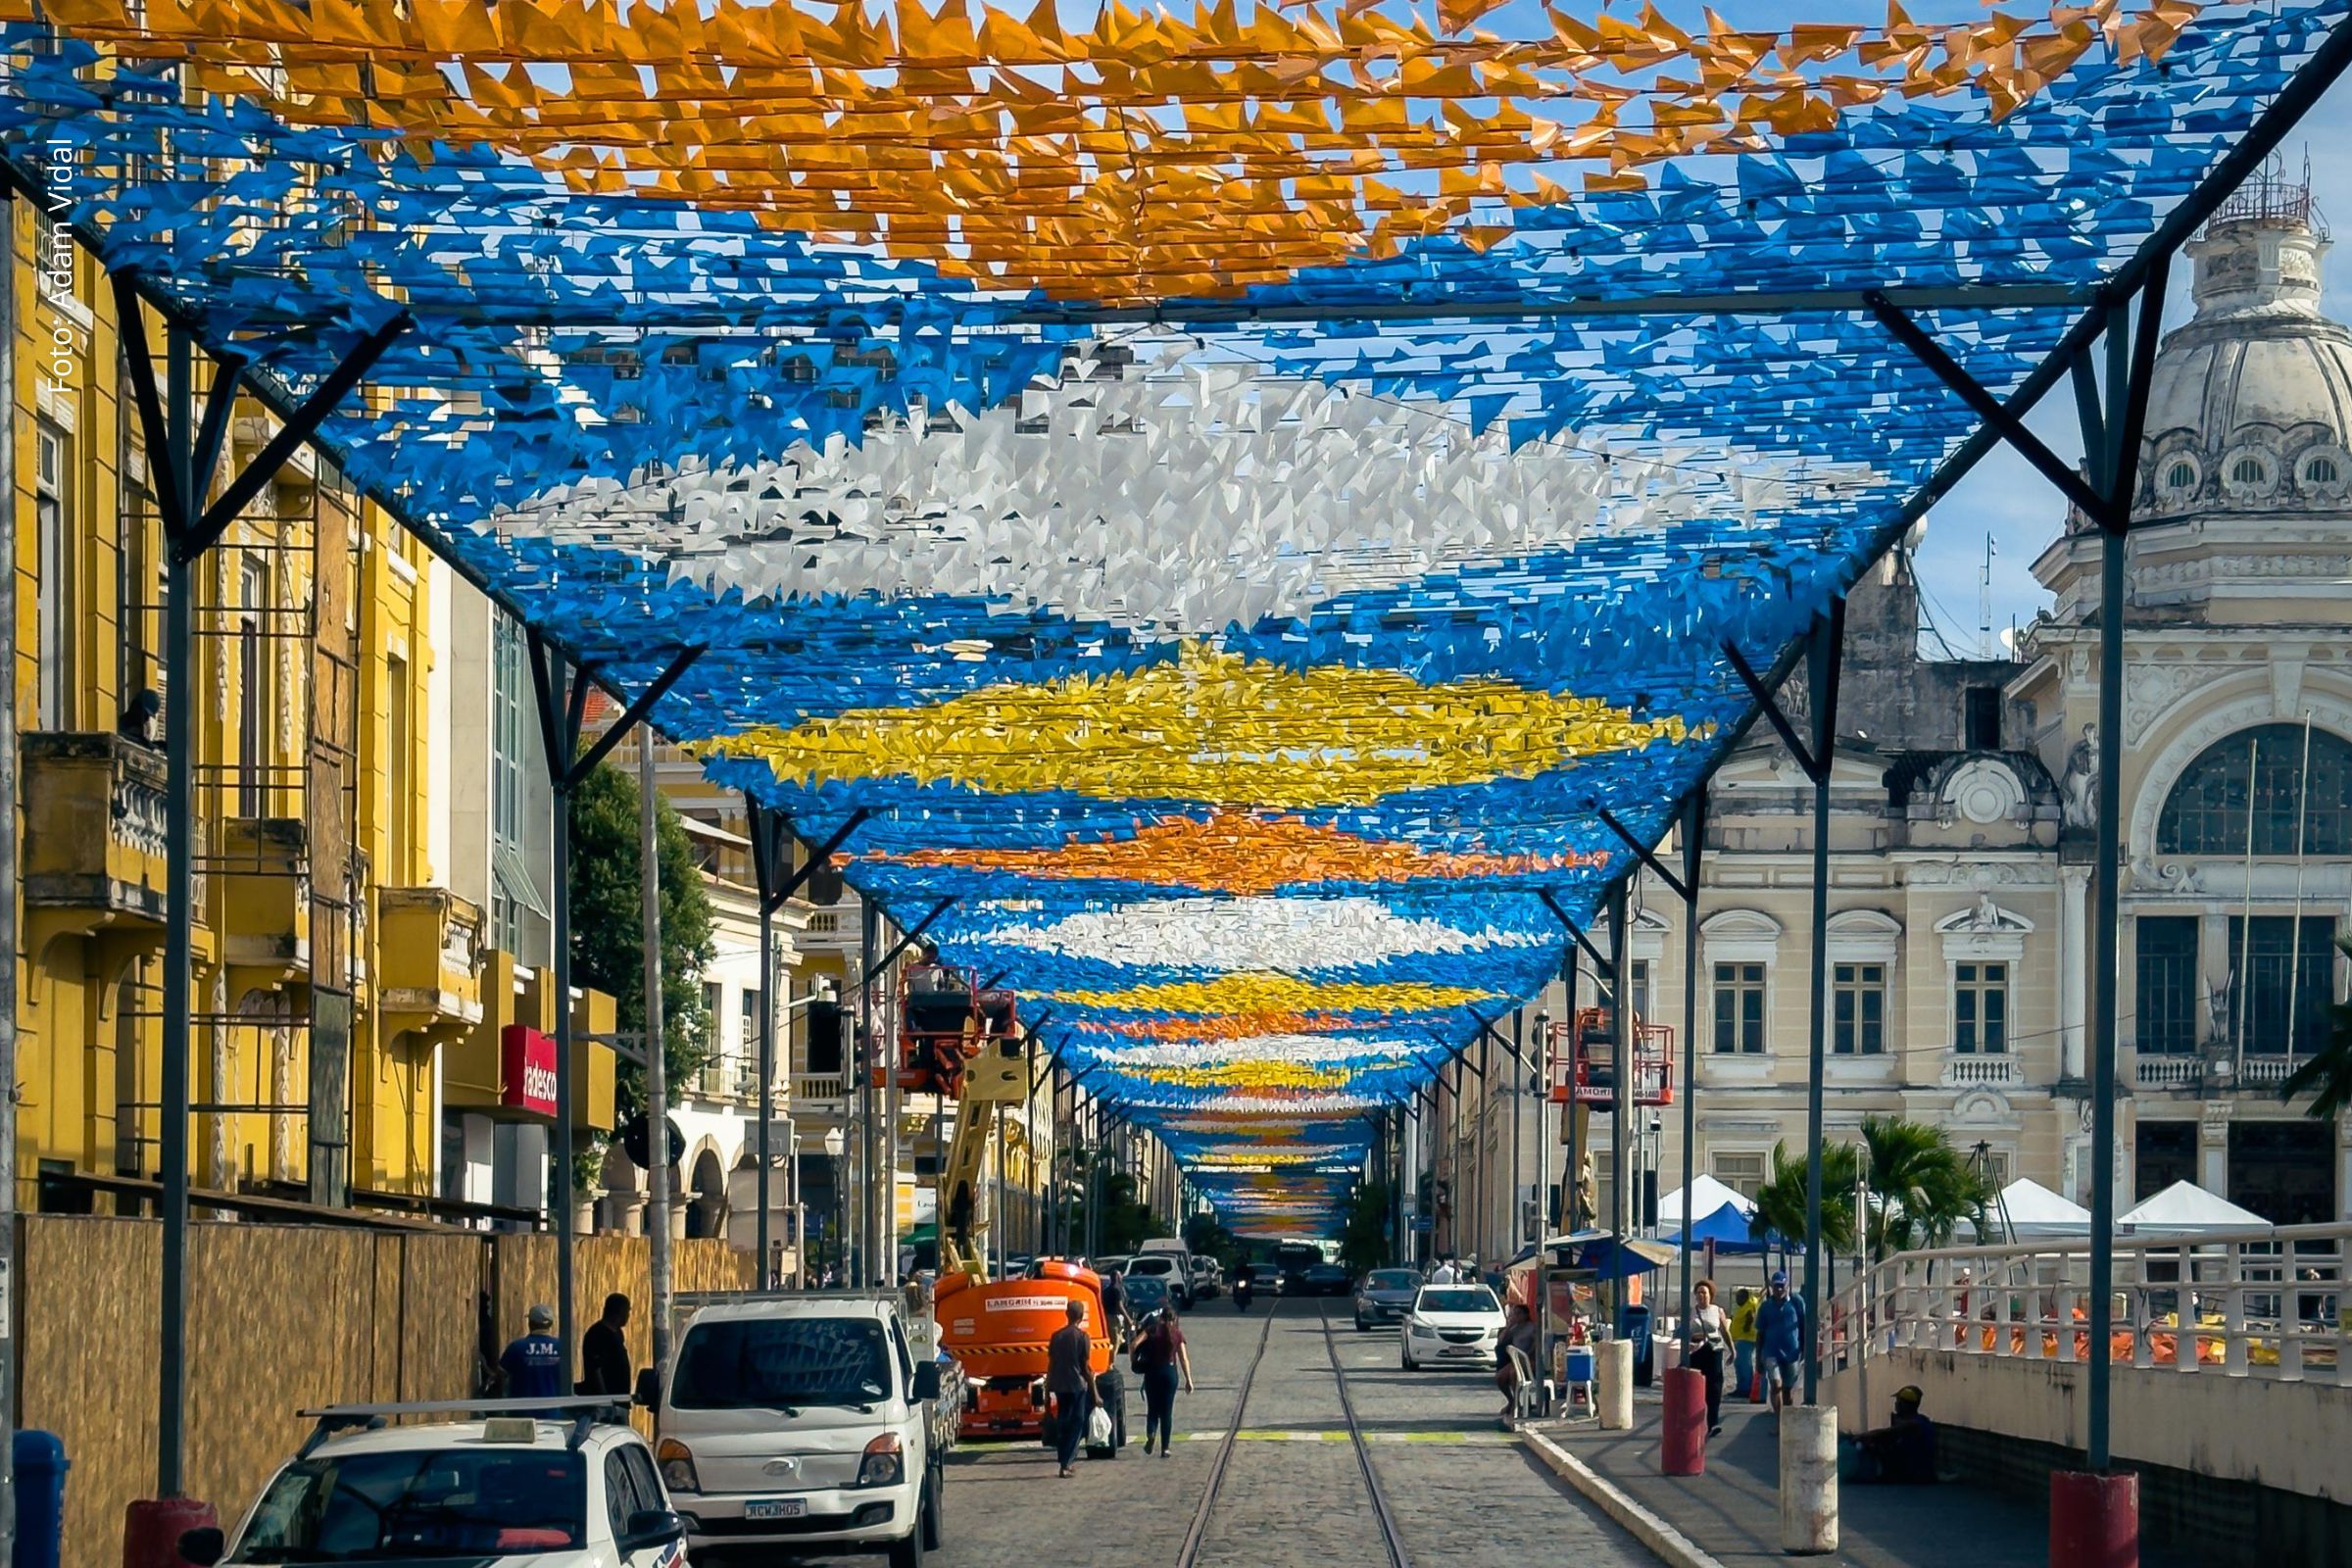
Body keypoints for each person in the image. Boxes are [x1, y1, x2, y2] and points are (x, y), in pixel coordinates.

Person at [1130, 1305, 1194, 1457]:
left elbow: (1133, 1344)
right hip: (1170, 1373)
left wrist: (1134, 1362)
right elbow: (1183, 1359)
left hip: (1152, 1372)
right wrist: (1188, 1380)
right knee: (1167, 1412)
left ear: (1161, 1318)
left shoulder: (1151, 1330)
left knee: (1152, 1409)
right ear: (1174, 1319)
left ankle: (1151, 1434)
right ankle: (1165, 1448)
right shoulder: (1177, 1334)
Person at [1046, 1298, 1096, 1479]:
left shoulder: (1056, 1336)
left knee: (1063, 1422)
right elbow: (1085, 1367)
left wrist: (1047, 1388)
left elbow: (1050, 1365)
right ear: (1081, 1317)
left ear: (1067, 1314)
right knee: (1078, 1423)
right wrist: (1095, 1392)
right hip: (1077, 1386)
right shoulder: (1083, 1338)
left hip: (1059, 1385)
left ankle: (1064, 1461)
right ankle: (1067, 1463)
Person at [1855, 1386, 1937, 1484]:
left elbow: (1886, 1433)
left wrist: (1861, 1437)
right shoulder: (1920, 1420)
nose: (1895, 1404)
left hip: (1915, 1474)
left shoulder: (1915, 1424)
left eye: (1898, 1401)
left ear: (1904, 1405)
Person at [1755, 1271, 1807, 1414]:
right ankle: (1778, 1419)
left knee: (1788, 1390)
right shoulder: (1765, 1307)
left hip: (1792, 1353)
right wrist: (1758, 1359)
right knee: (1775, 1384)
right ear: (1771, 1286)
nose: (1779, 1289)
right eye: (1776, 1286)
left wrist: (1805, 1348)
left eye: (1781, 1286)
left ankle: (1786, 1420)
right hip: (1771, 1352)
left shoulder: (1797, 1302)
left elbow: (1804, 1327)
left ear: (1787, 1285)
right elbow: (1760, 1333)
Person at [1685, 1280, 1732, 1437]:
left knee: (1715, 1388)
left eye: (1704, 1292)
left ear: (1710, 1295)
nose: (1701, 1295)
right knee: (1697, 1387)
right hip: (1696, 1352)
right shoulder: (1691, 1312)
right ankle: (1695, 1423)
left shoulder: (1717, 1311)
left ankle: (1713, 1423)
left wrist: (1732, 1349)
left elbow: (1725, 1331)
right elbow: (1682, 1333)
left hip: (1714, 1351)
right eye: (1698, 1292)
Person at [500, 1304, 565, 1403]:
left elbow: (501, 1376)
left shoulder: (516, 1347)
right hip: (554, 1412)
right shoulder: (562, 1348)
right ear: (551, 1324)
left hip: (521, 1412)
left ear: (530, 1323)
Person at [578, 1293, 632, 1397]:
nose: (628, 1316)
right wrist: (604, 1398)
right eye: (627, 1311)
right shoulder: (597, 1334)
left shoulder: (618, 1332)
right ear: (620, 1312)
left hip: (620, 1398)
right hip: (605, 1400)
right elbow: (595, 1369)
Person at [1495, 1302, 1540, 1425]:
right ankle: (1512, 1400)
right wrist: (1509, 1326)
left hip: (1528, 1359)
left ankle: (1517, 1405)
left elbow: (1536, 1344)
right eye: (1514, 1314)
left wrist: (1528, 1354)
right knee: (1500, 1377)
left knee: (1515, 1374)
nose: (1516, 1316)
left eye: (1519, 1313)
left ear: (1525, 1315)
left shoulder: (1531, 1327)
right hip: (1515, 1360)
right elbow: (1500, 1342)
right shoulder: (1514, 1328)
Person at [1729, 1286, 1759, 1401]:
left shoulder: (1748, 1307)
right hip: (1740, 1339)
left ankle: (1746, 1388)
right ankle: (1741, 1387)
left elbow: (1750, 1317)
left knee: (1744, 1365)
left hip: (1745, 1339)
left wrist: (1747, 1327)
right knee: (1739, 1364)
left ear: (1745, 1297)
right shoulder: (1744, 1306)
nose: (1737, 1299)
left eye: (1739, 1297)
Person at [1101, 1266, 1127, 1338]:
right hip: (1115, 1317)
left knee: (1116, 1337)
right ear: (1117, 1278)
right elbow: (1120, 1306)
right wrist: (1128, 1319)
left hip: (1107, 1316)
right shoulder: (1116, 1290)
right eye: (1120, 1276)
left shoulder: (1105, 1290)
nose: (1121, 1278)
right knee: (1116, 1339)